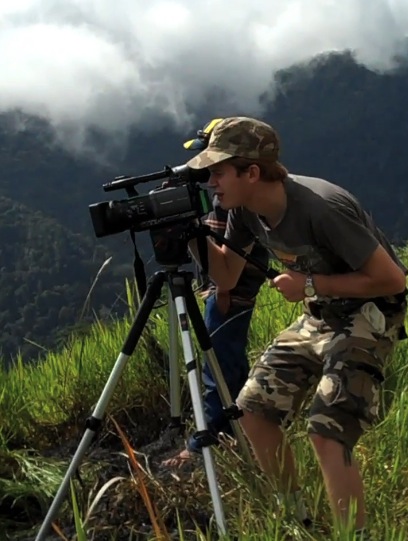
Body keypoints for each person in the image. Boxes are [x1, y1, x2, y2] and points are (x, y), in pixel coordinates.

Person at [185, 116, 408, 538]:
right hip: (320, 312)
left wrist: (308, 284)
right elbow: (228, 276)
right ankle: (298, 519)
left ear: (251, 172)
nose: (210, 182)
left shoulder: (320, 208)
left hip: (370, 312)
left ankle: (352, 534)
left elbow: (393, 279)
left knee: (327, 429)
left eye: (217, 171)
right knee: (252, 412)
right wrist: (192, 238)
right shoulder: (246, 210)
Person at [163, 120, 269, 466]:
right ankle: (235, 432)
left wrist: (218, 297)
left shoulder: (232, 204)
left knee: (217, 371)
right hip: (224, 292)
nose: (205, 171)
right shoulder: (223, 195)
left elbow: (226, 266)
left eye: (212, 164)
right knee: (226, 367)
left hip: (228, 296)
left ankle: (207, 443)